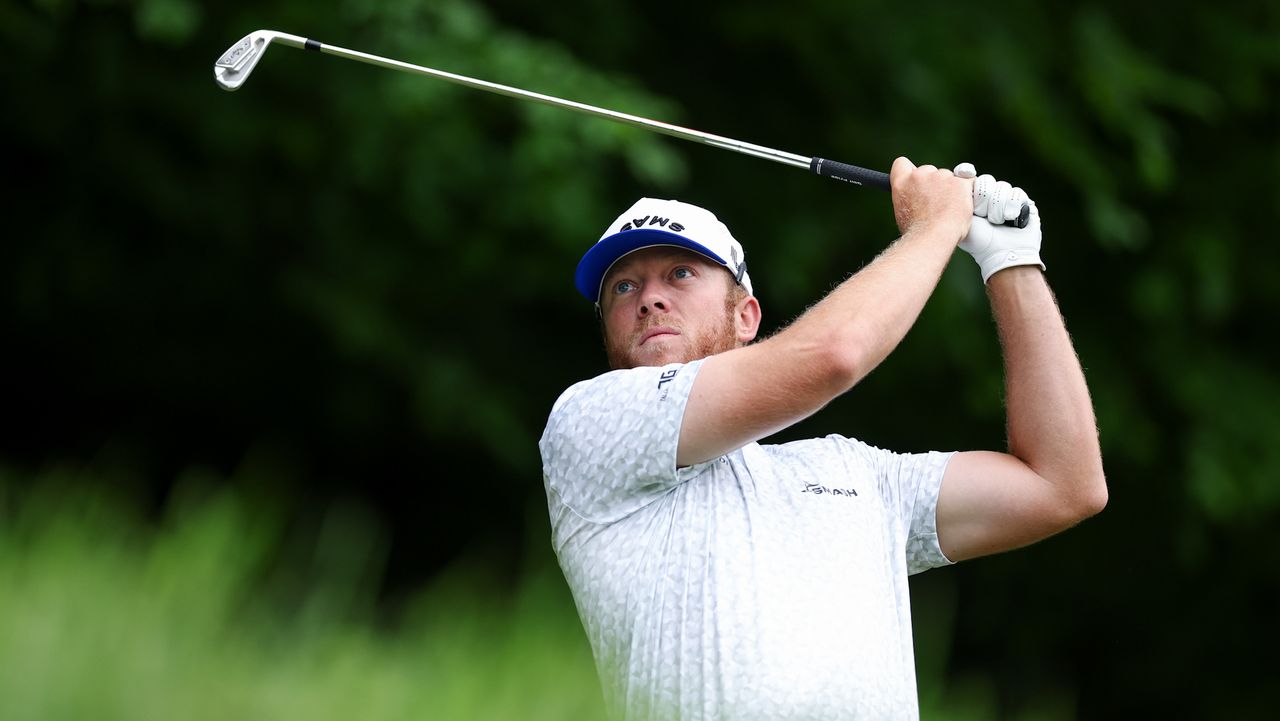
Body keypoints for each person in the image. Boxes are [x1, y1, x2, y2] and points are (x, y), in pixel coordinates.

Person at [538, 157, 1107, 721]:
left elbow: (1063, 484)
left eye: (680, 274)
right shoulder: (587, 423)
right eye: (623, 287)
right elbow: (834, 356)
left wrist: (1009, 260)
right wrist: (936, 225)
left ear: (746, 317)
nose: (649, 298)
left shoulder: (856, 474)